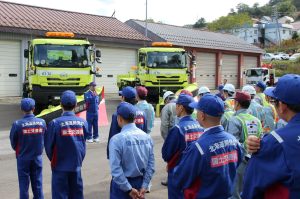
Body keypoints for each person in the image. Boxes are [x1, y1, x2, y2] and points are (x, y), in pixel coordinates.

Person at [173, 94, 243, 198]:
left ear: (202, 115)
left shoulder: (198, 147)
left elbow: (180, 177)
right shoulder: (234, 142)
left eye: (197, 111)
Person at [243, 74, 300, 199]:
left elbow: (251, 189)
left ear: (283, 106)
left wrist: (265, 143)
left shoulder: (275, 142)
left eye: (274, 101)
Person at [44, 90, 88, 199]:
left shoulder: (54, 123)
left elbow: (48, 147)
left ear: (60, 105)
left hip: (59, 167)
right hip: (76, 166)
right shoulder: (83, 122)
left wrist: (54, 161)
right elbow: (83, 142)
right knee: (77, 194)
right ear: (76, 105)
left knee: (60, 195)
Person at [109, 102, 155, 199]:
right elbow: (151, 165)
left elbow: (116, 169)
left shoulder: (116, 140)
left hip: (121, 186)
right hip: (140, 184)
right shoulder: (147, 137)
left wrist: (129, 189)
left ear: (119, 119)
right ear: (134, 119)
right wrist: (145, 185)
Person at [162, 94, 204, 198]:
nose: (175, 107)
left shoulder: (178, 129)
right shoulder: (200, 126)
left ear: (181, 107)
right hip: (196, 172)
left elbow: (166, 154)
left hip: (178, 172)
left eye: (176, 105)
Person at [226, 91, 263, 199]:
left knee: (236, 192)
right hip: (254, 160)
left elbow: (232, 144)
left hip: (240, 162)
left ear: (237, 103)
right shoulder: (256, 120)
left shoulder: (234, 119)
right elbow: (261, 138)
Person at [9, 98, 46, 199]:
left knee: (24, 185)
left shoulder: (17, 124)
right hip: (37, 158)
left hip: (23, 158)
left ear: (21, 109)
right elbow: (45, 138)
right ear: (34, 108)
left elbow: (13, 142)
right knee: (38, 184)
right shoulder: (42, 122)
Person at [107, 86, 147, 159]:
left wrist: (110, 154)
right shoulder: (142, 113)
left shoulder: (118, 114)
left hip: (124, 153)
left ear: (123, 98)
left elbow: (113, 135)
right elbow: (145, 133)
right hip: (140, 152)